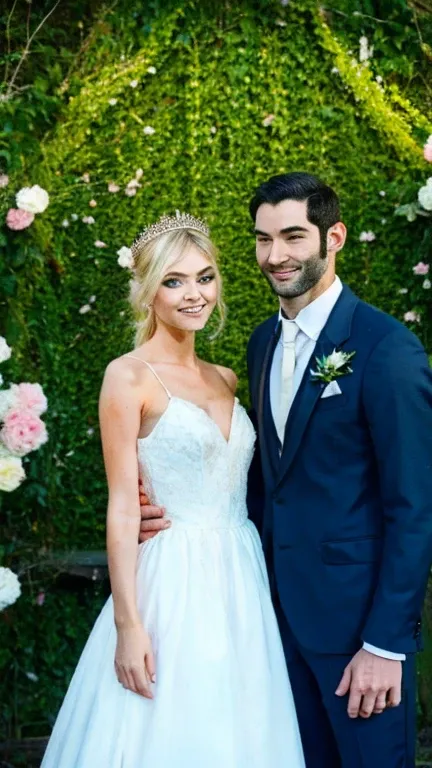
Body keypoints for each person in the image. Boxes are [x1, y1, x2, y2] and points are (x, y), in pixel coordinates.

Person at [138, 175, 432, 768]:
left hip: (357, 639)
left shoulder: (386, 350)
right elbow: (264, 476)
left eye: (294, 236)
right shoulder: (261, 343)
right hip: (267, 624)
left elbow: (416, 506)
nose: (276, 256)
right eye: (262, 239)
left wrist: (385, 643)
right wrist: (166, 504)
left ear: (335, 236)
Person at [41, 211, 305, 768]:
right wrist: (128, 623)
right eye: (174, 281)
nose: (194, 294)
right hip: (172, 581)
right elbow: (121, 505)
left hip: (240, 573)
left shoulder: (228, 377)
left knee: (243, 727)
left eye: (205, 277)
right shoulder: (128, 376)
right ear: (147, 293)